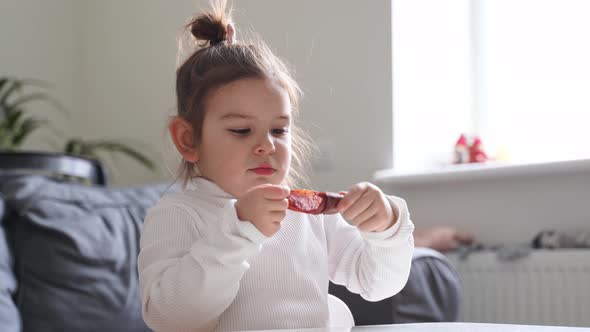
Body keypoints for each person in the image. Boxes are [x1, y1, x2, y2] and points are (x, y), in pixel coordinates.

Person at [137, 1, 414, 331]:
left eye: (279, 129)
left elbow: (378, 284)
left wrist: (385, 229)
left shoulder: (306, 213)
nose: (267, 145)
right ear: (188, 140)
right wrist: (238, 231)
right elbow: (172, 319)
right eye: (241, 130)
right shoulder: (179, 213)